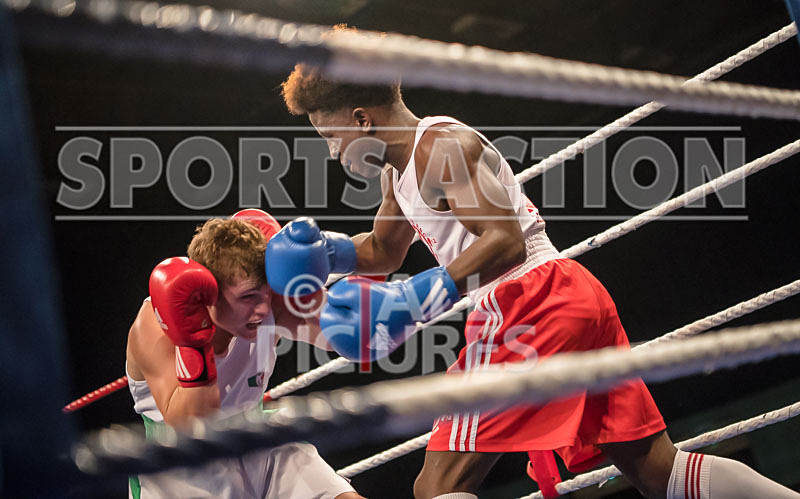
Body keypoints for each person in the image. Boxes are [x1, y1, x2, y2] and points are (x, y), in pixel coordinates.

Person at [266, 56, 800, 499]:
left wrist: (416, 296)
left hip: (528, 300)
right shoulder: (398, 171)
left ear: (361, 119)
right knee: (657, 470)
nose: (331, 150)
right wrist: (325, 253)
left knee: (437, 487)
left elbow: (504, 241)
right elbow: (383, 251)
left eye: (329, 134)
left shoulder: (440, 148)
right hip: (566, 295)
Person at [125, 209, 363, 499]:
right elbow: (189, 428)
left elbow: (347, 339)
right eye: (247, 297)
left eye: (265, 293)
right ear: (207, 294)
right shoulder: (155, 326)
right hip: (181, 467)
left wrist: (317, 285)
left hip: (256, 440)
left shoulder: (268, 304)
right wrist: (195, 343)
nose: (262, 309)